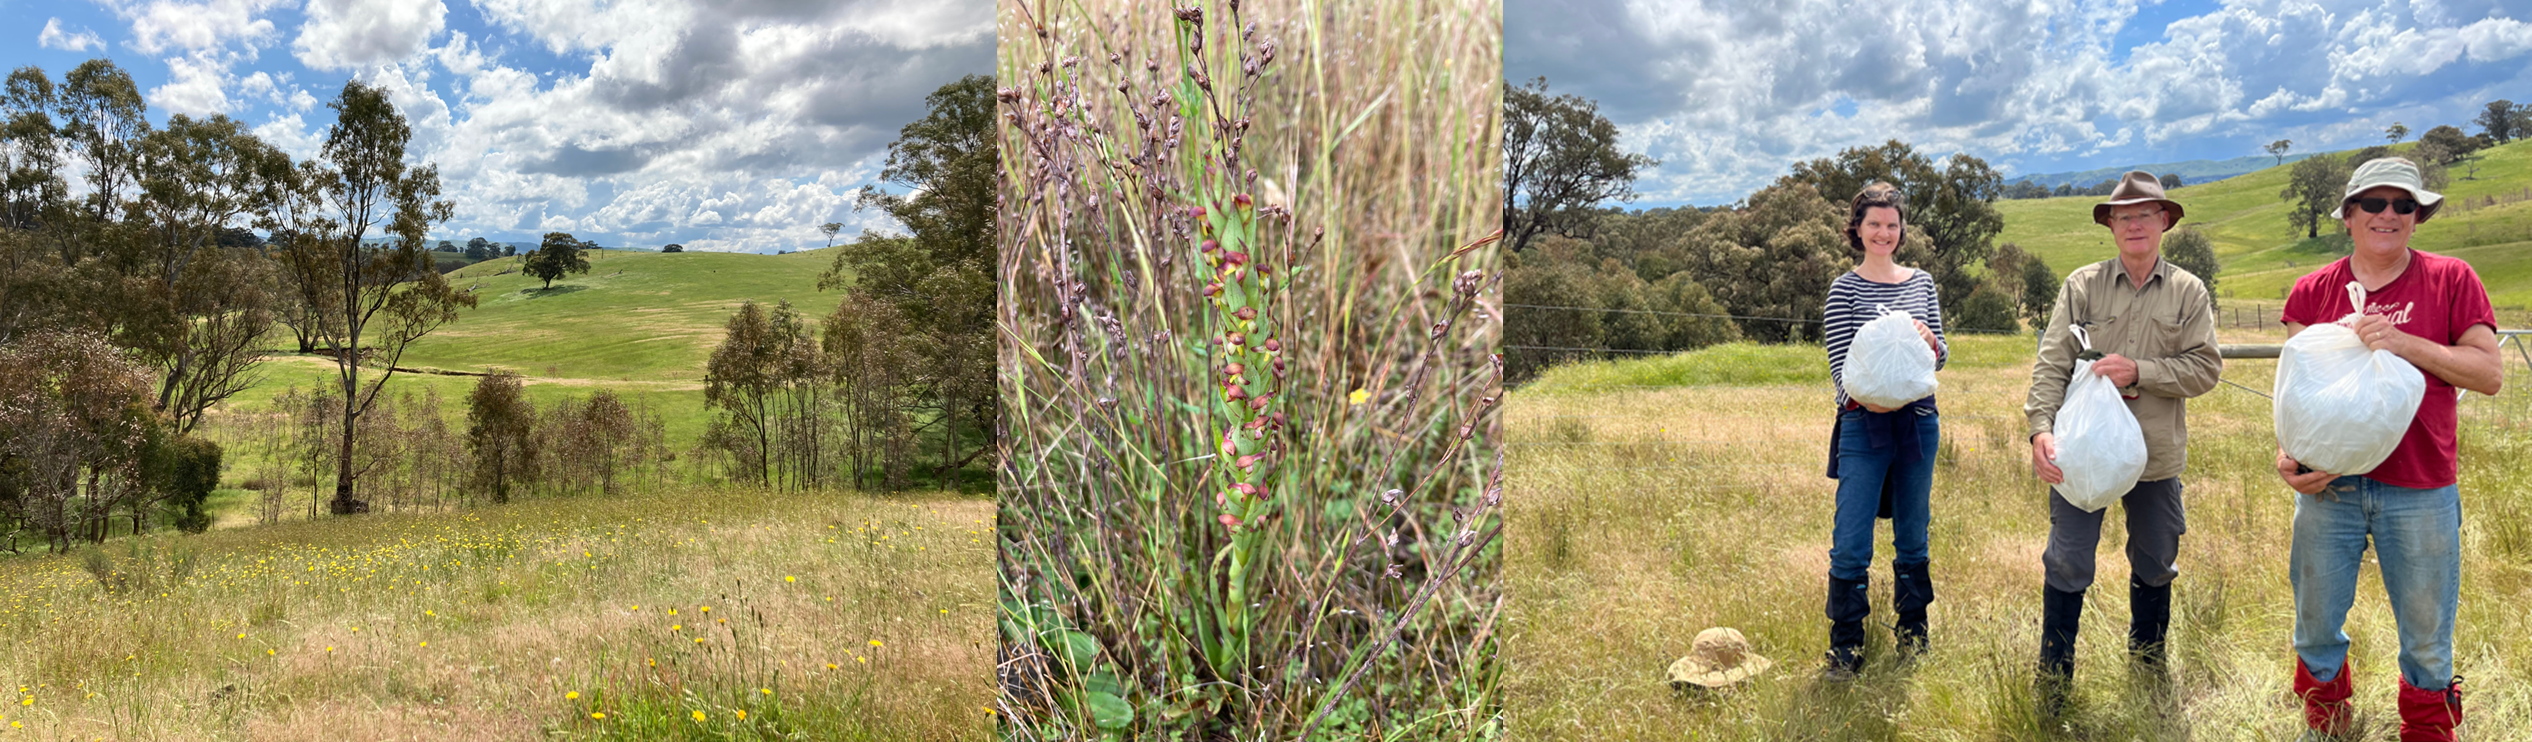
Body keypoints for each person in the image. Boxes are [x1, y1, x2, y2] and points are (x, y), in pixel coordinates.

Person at [2276, 157, 2501, 742]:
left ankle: (2427, 729)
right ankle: (2327, 722)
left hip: (2422, 486)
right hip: (2330, 488)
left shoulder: (2451, 280)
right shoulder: (2313, 291)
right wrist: (2288, 455)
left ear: (2417, 217)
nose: (2389, 215)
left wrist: (2403, 343)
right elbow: (2298, 394)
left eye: (2404, 205)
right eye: (2373, 204)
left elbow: (2487, 373)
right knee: (2316, 620)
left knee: (2428, 629)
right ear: (2348, 216)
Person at [2022, 171, 2221, 713]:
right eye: (2123, 215)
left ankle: (2148, 668)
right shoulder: (2081, 285)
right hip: (2081, 453)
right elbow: (2052, 365)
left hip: (2154, 456)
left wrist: (2140, 371)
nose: (2134, 224)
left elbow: (2205, 370)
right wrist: (2041, 428)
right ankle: (2054, 683)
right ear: (2110, 225)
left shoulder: (2187, 290)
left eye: (2145, 214)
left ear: (2164, 222)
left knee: (2156, 558)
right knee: (2066, 561)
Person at [1817, 182, 1946, 680]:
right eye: (1874, 224)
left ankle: (1913, 634)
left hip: (1917, 422)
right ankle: (1845, 645)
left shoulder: (1923, 283)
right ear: (1857, 229)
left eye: (1891, 225)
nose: (1883, 233)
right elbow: (1840, 367)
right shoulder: (1844, 290)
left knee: (1914, 534)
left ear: (1901, 230)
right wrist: (1867, 400)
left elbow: (1940, 358)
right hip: (1861, 423)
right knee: (1851, 538)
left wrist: (1931, 340)